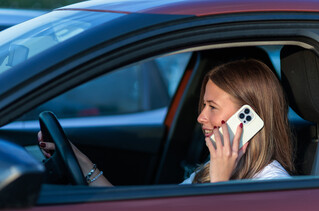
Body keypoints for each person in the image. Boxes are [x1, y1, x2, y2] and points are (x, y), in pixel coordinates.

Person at [38, 59, 295, 186]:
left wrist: (220, 184)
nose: (201, 117)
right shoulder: (208, 170)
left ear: (248, 118)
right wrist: (78, 159)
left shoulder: (273, 186)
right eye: (203, 105)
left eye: (212, 107)